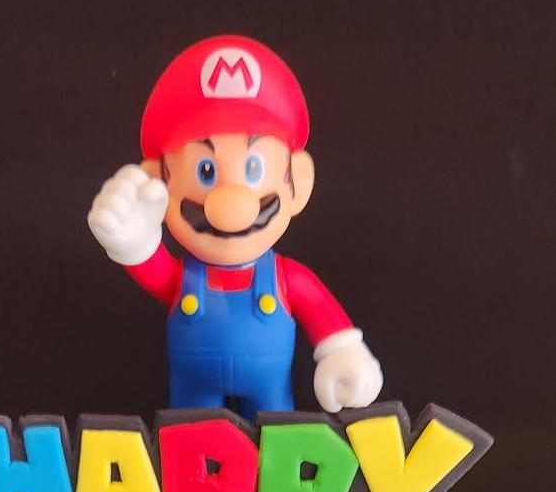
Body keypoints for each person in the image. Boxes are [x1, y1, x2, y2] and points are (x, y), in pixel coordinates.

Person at [87, 35, 384, 419]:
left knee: (275, 436)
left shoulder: (287, 279)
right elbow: (156, 273)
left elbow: (320, 310)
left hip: (270, 394)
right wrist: (135, 243)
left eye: (252, 169)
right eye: (205, 171)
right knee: (189, 435)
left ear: (297, 182)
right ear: (159, 182)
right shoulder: (184, 277)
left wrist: (342, 351)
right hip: (193, 391)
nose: (230, 205)